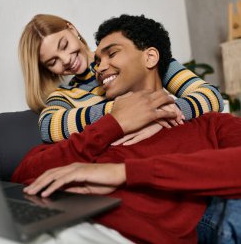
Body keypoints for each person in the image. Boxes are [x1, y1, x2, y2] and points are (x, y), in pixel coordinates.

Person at [13, 15, 241, 244]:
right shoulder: (72, 104)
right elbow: (39, 145)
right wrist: (117, 118)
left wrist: (154, 110)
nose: (99, 67)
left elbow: (210, 96)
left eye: (111, 54)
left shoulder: (205, 121)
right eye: (52, 62)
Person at [19, 14, 224, 144]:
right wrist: (120, 111)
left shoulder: (136, 57)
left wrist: (160, 115)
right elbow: (48, 127)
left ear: (72, 29)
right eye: (52, 61)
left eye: (63, 45)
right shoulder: (66, 95)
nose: (65, 60)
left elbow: (210, 95)